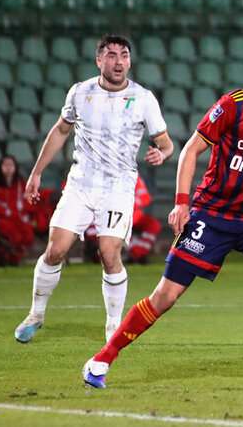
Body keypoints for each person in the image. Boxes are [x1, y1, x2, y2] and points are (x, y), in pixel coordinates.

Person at [81, 40, 243, 389]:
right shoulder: (235, 105)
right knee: (165, 297)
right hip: (212, 216)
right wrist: (182, 202)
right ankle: (101, 360)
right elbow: (190, 150)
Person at [15, 36, 174, 343]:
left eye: (124, 56)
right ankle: (36, 314)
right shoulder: (80, 91)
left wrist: (162, 153)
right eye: (111, 55)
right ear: (99, 61)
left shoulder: (143, 98)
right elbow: (62, 129)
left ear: (129, 61)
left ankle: (113, 327)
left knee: (109, 253)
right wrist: (36, 172)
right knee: (55, 250)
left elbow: (166, 144)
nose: (118, 62)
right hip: (81, 183)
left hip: (118, 186)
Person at [0, 155, 36, 265]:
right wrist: (10, 211)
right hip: (1, 219)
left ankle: (14, 259)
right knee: (14, 234)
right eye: (5, 165)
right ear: (0, 167)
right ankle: (4, 257)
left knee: (28, 236)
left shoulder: (21, 185)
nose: (8, 168)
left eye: (11, 165)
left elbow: (27, 201)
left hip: (18, 217)